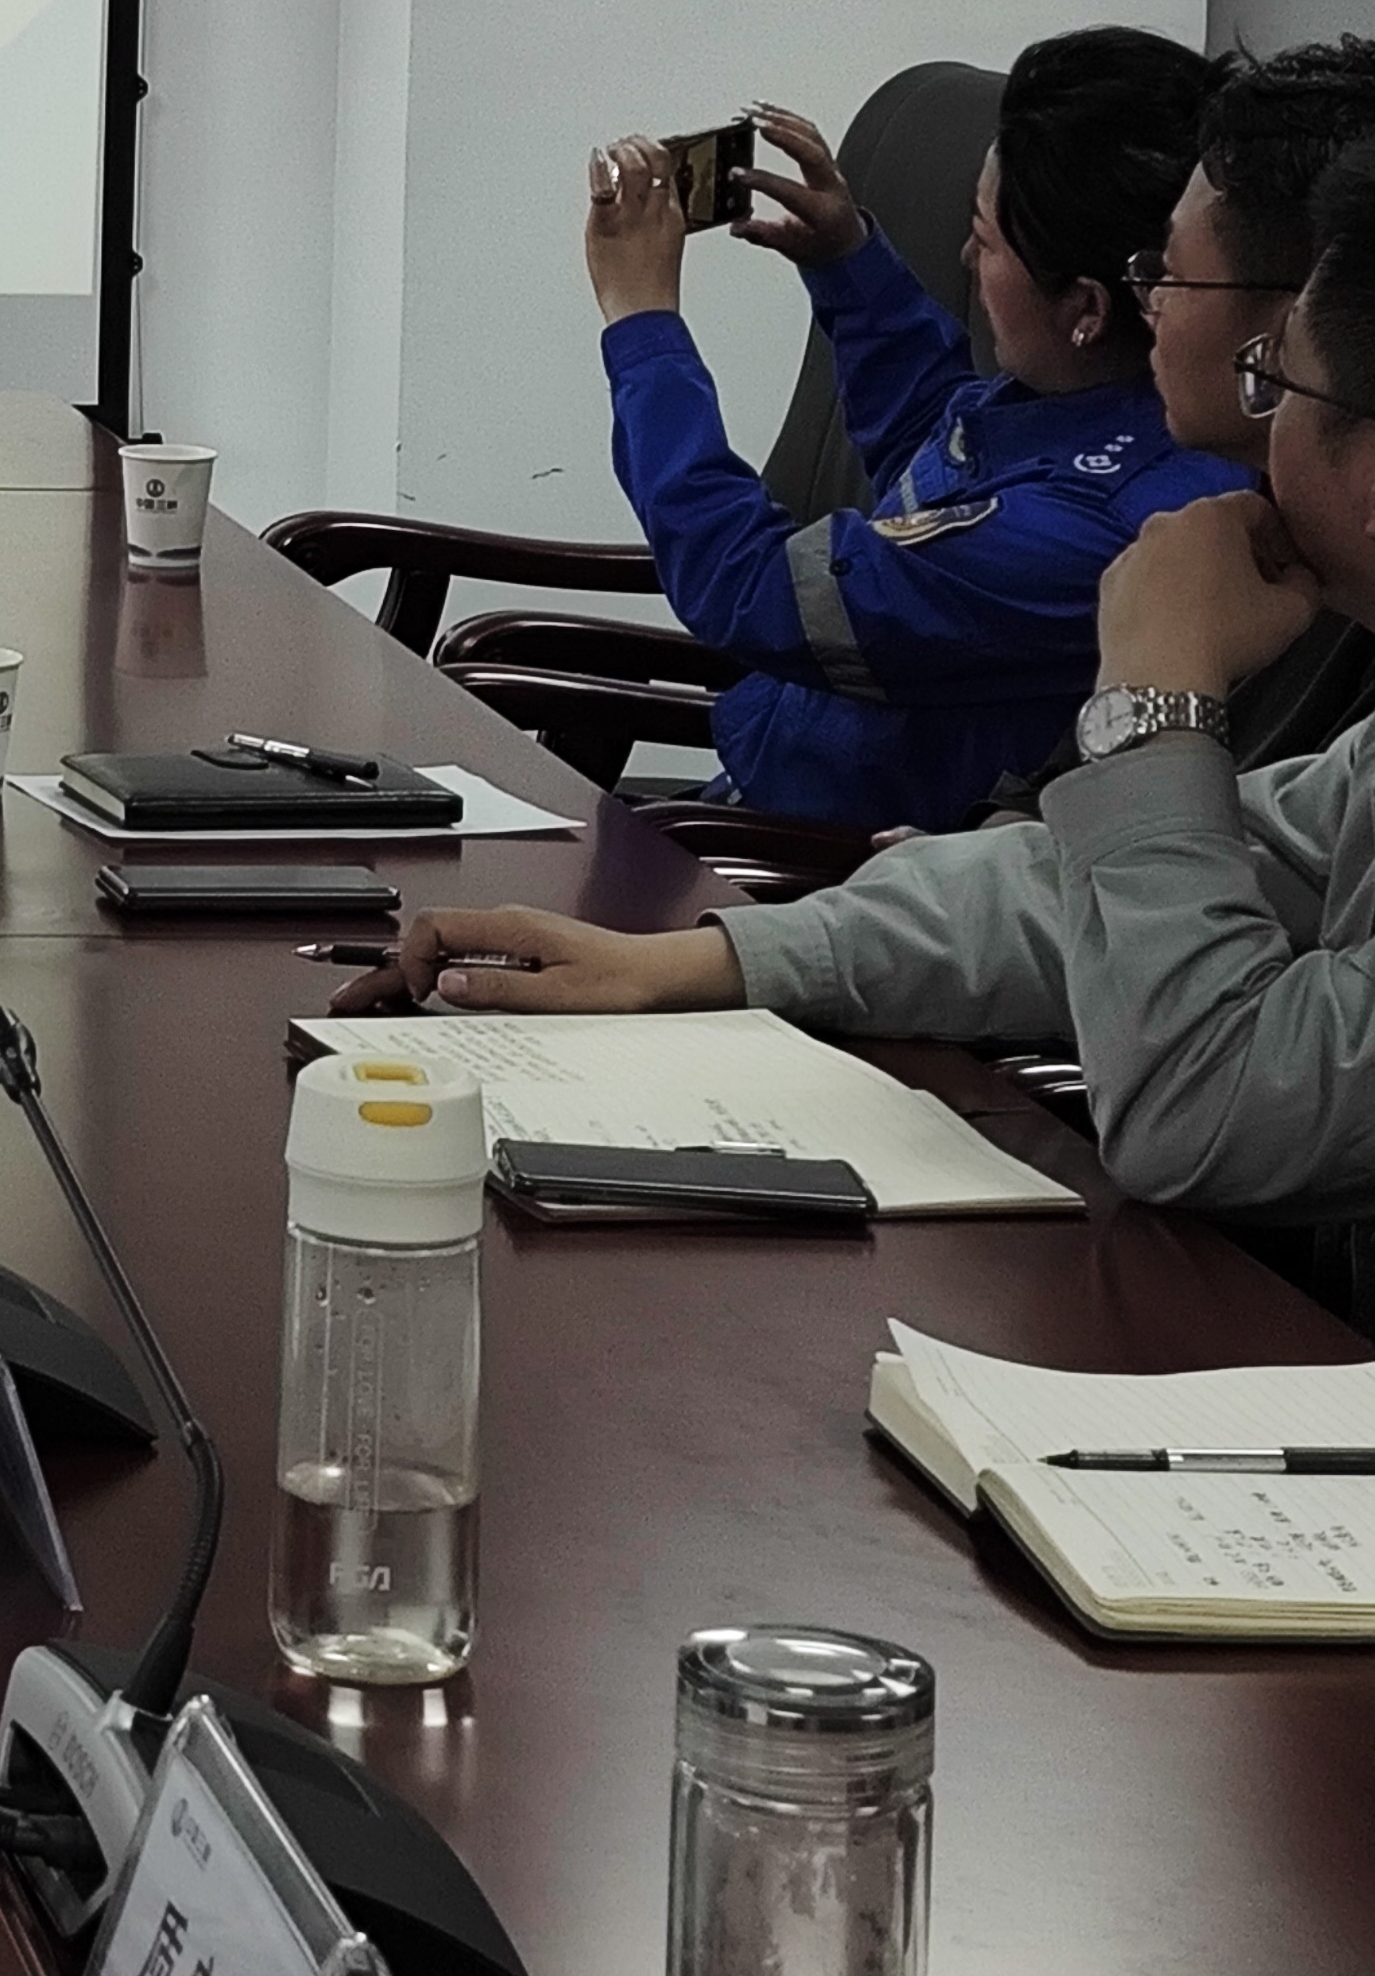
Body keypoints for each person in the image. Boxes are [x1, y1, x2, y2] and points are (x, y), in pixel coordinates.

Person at [375, 135, 1375, 1312]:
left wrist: (1152, 701)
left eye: (1276, 382)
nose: (1263, 435)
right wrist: (693, 961)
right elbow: (1070, 891)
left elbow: (1197, 1111)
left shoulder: (1120, 524)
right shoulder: (1059, 430)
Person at [584, 28, 1244, 832]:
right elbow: (942, 463)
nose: (965, 255)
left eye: (984, 236)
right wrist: (847, 262)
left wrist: (642, 323)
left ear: (1086, 309)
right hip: (753, 811)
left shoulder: (1093, 527)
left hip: (803, 871)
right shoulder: (1103, 416)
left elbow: (748, 588)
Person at [1135, 38, 1375, 764]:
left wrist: (1155, 691)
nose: (1150, 301)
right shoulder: (1259, 543)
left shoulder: (1348, 584)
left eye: (1173, 272)